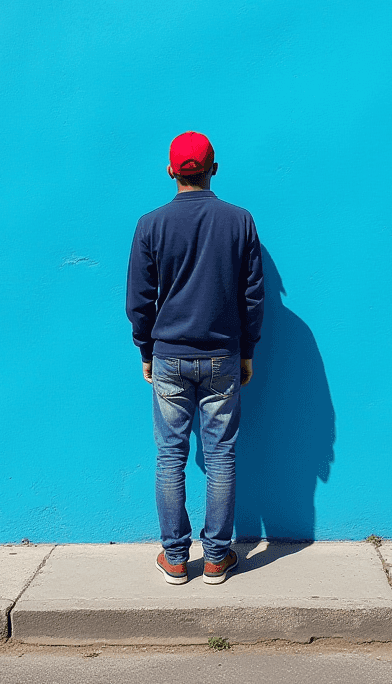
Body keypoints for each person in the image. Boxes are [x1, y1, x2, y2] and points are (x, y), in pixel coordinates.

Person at [126, 132, 264, 585]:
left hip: (169, 355)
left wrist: (146, 349)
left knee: (170, 456)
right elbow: (252, 297)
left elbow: (140, 300)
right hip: (223, 355)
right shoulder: (239, 221)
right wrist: (247, 351)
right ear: (213, 169)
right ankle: (218, 558)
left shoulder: (151, 224)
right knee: (221, 455)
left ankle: (176, 558)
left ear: (171, 171)